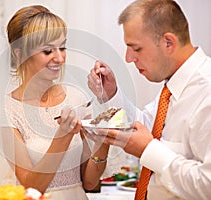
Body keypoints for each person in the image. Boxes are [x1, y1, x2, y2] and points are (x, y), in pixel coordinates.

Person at [0, 5, 125, 200]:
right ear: (20, 53)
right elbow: (31, 187)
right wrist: (63, 136)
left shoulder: (76, 98)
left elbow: (89, 182)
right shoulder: (5, 110)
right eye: (48, 51)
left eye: (62, 47)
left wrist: (105, 137)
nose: (59, 58)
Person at [86, 0, 211, 199]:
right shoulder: (172, 87)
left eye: (136, 48)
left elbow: (207, 185)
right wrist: (112, 94)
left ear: (168, 43)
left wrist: (149, 150)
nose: (128, 58)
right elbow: (148, 128)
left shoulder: (207, 91)